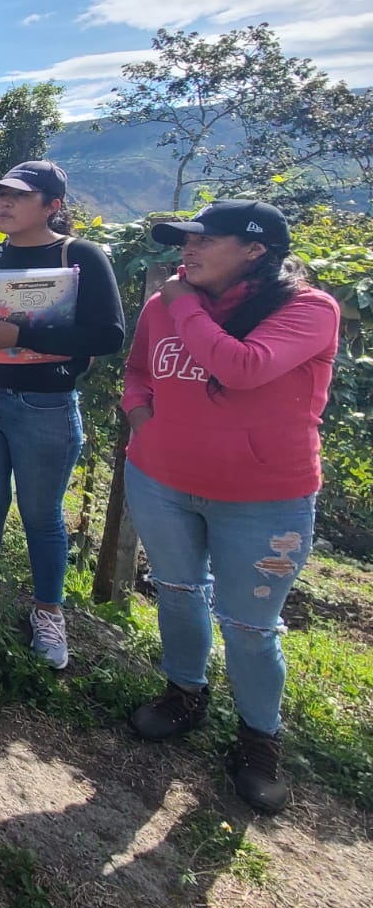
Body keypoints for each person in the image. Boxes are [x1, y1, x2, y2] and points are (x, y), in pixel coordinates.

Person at [122, 201, 339, 814]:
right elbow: (139, 371)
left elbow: (242, 369)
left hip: (265, 502)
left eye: (205, 241)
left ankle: (258, 737)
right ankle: (184, 693)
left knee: (249, 625)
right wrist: (142, 421)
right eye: (184, 241)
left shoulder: (308, 310)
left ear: (255, 250)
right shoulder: (161, 308)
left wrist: (181, 303)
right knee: (177, 590)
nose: (187, 251)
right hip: (160, 480)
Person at [0, 161, 125, 669]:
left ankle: (48, 613)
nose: (4, 203)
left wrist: (21, 336)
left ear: (52, 206)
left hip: (44, 404)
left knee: (42, 515)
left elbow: (108, 335)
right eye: (1, 195)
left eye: (19, 196)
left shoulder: (80, 256)